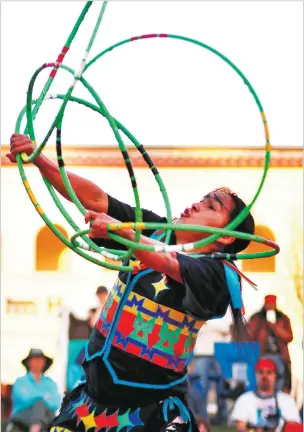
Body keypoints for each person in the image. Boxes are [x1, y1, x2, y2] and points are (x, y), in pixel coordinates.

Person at [8, 134, 255, 432]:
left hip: (150, 416)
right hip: (89, 406)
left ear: (226, 236)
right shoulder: (156, 230)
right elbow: (97, 200)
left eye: (211, 207)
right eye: (202, 199)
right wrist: (41, 161)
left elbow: (169, 263)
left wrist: (121, 232)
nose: (196, 204)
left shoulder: (218, 275)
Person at [230, 358, 301, 432]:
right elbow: (240, 428)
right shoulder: (244, 399)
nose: (265, 376)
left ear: (275, 375)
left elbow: (294, 426)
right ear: (255, 375)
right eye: (261, 372)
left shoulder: (286, 400)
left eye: (269, 372)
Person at [247, 295, 293, 393]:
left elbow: (289, 337)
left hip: (279, 355)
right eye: (269, 304)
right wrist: (260, 325)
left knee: (280, 376)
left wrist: (275, 328)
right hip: (262, 354)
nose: (270, 306)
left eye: (272, 304)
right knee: (262, 376)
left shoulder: (282, 319)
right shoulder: (257, 318)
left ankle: (278, 397)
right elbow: (250, 336)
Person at [193, 311, 232, 425]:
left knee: (223, 387)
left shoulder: (224, 308)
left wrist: (208, 324)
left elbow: (226, 328)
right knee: (201, 387)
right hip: (201, 353)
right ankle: (202, 419)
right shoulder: (199, 307)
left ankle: (223, 419)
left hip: (221, 352)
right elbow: (195, 327)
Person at [9, 349, 61, 432]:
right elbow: (23, 399)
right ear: (29, 363)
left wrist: (37, 397)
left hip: (46, 416)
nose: (38, 362)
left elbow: (56, 403)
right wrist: (43, 397)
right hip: (23, 416)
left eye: (40, 360)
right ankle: (36, 427)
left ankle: (36, 427)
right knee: (39, 405)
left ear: (44, 362)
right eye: (35, 360)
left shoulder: (50, 382)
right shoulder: (20, 381)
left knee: (45, 413)